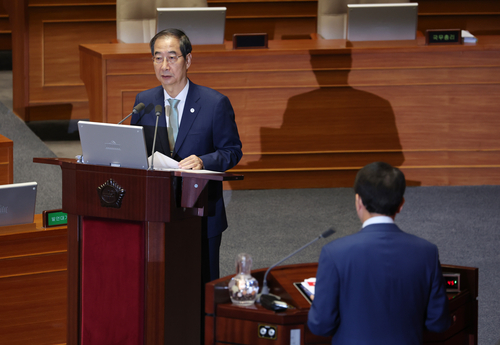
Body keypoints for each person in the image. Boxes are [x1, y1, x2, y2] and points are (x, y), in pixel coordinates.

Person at [130, 28, 243, 282]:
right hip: (156, 210)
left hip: (201, 212)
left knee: (200, 284)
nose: (164, 65)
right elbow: (136, 150)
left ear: (188, 60)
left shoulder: (215, 103)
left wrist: (204, 161)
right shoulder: (144, 102)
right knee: (158, 282)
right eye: (158, 58)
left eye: (172, 57)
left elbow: (232, 151)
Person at [307, 162, 451, 344]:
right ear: (401, 204)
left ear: (358, 201)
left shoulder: (334, 253)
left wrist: (318, 302)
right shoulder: (427, 252)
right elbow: (438, 323)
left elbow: (321, 326)